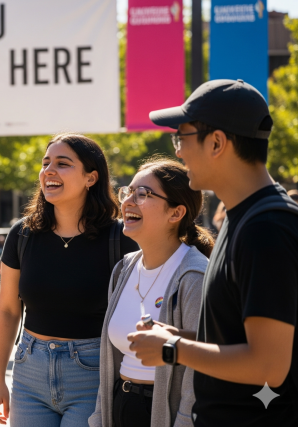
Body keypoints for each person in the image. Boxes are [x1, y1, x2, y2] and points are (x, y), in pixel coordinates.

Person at [128, 79, 298, 426]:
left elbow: (269, 365)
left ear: (217, 142)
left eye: (182, 137)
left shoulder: (265, 228)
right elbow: (239, 340)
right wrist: (177, 337)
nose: (177, 151)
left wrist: (173, 350)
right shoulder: (248, 217)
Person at [0, 134, 138, 426]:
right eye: (46, 163)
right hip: (29, 372)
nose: (49, 171)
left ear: (91, 178)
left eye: (62, 163)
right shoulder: (22, 234)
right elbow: (7, 309)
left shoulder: (120, 238)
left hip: (91, 373)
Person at [88, 158, 213, 427]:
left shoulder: (194, 276)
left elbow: (198, 374)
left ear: (176, 213)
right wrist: (99, 418)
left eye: (142, 194)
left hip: (161, 415)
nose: (128, 201)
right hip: (121, 406)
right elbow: (110, 361)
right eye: (128, 191)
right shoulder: (123, 268)